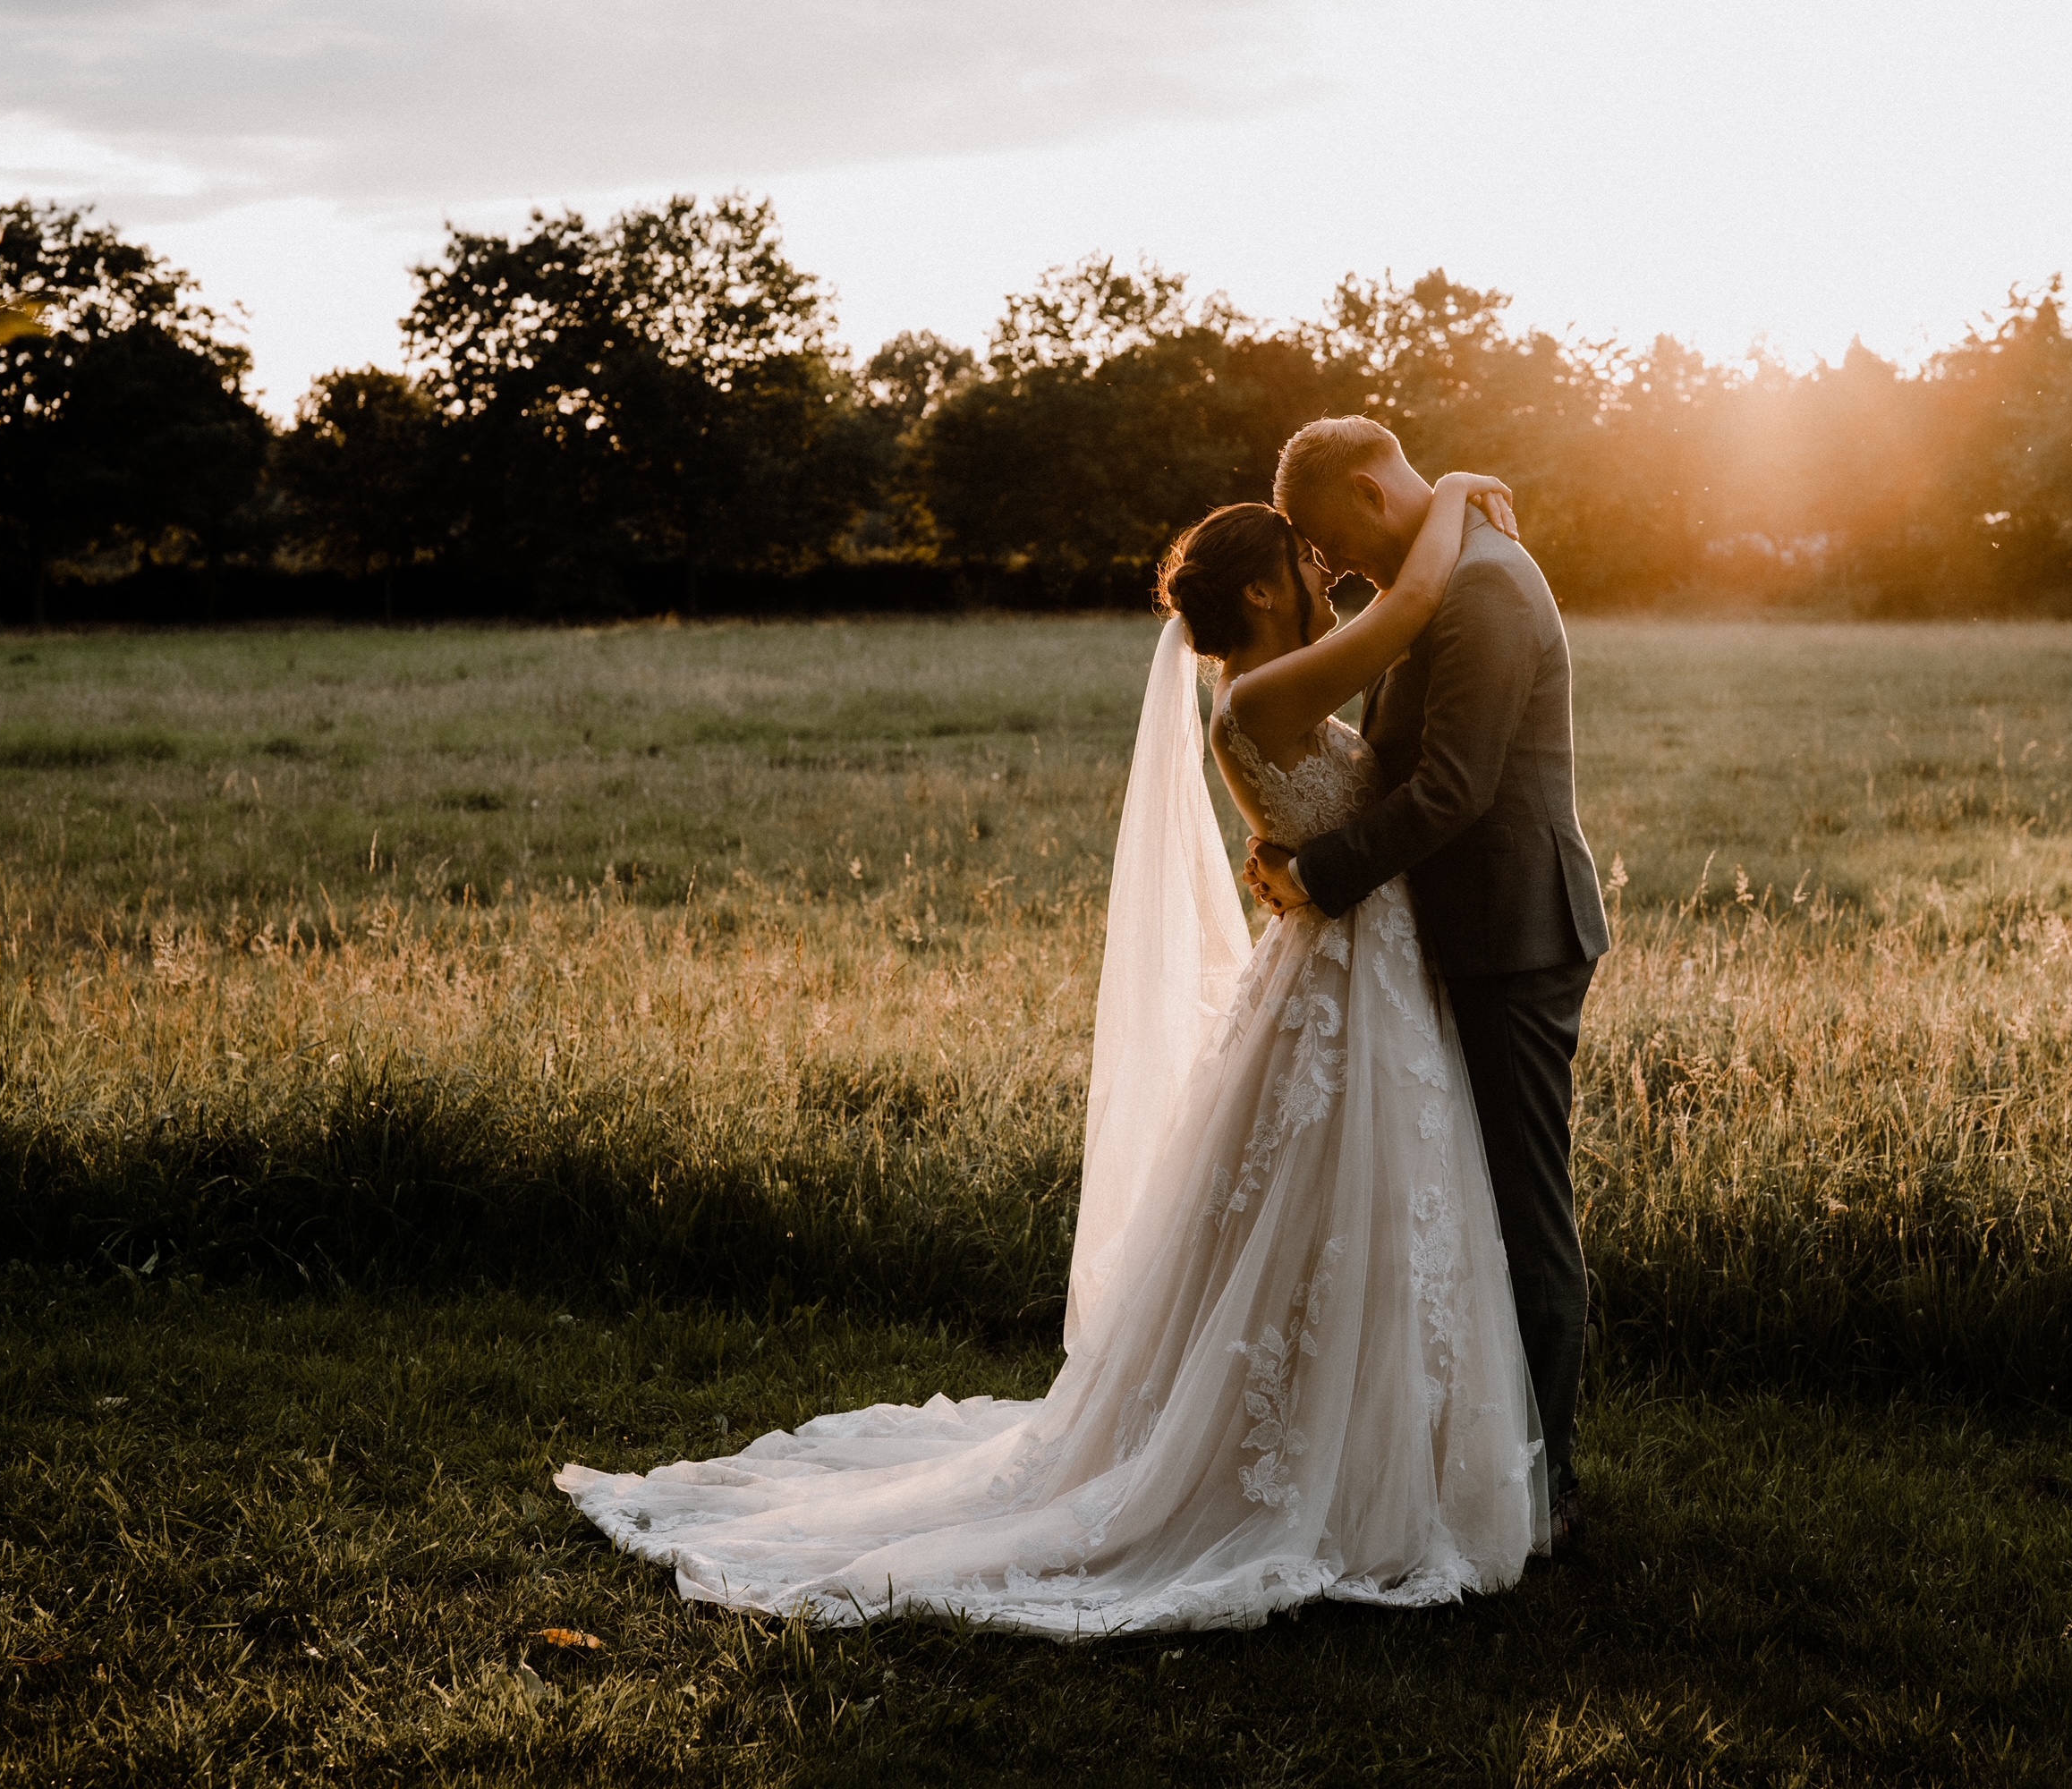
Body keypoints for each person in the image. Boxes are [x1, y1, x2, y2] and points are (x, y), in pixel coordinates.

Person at [557, 470, 1550, 1636]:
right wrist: (1456, 497)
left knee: (1368, 1222)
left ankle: (1380, 1454)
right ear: (1262, 597)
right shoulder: (1254, 704)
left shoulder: (1267, 691)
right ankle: (1300, 1470)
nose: (1328, 575)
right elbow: (1410, 603)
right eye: (1304, 559)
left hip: (1362, 977)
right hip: (1343, 984)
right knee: (1323, 1219)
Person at [1250, 417, 1609, 1545]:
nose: (1330, 567)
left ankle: (1542, 1492)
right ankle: (1472, 1459)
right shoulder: (1435, 573)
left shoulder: (1486, 587)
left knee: (1522, 1207)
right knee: (1472, 1201)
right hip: (1453, 936)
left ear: (1366, 490)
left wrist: (1314, 874)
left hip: (1514, 933)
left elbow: (1452, 788)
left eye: (1323, 537)